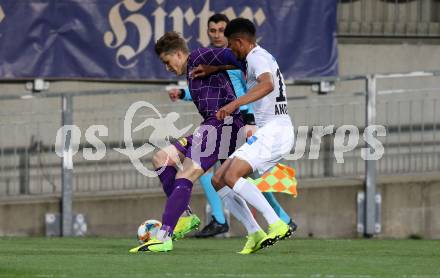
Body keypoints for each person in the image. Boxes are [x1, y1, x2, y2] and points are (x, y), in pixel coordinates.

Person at [130, 32, 271, 254]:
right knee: (163, 159)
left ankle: (165, 235)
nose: (167, 67)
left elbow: (238, 57)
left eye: (167, 62)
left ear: (178, 53)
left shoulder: (198, 56)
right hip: (215, 126)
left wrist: (217, 68)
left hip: (223, 124)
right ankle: (253, 230)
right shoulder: (191, 69)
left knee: (186, 174)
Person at [169, 13, 297, 238]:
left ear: (239, 42)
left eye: (231, 44)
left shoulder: (257, 58)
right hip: (271, 131)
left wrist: (233, 104)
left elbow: (267, 85)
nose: (230, 49)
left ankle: (277, 223)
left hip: (273, 130)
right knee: (220, 180)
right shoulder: (256, 57)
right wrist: (214, 69)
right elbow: (237, 65)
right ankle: (257, 232)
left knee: (232, 176)